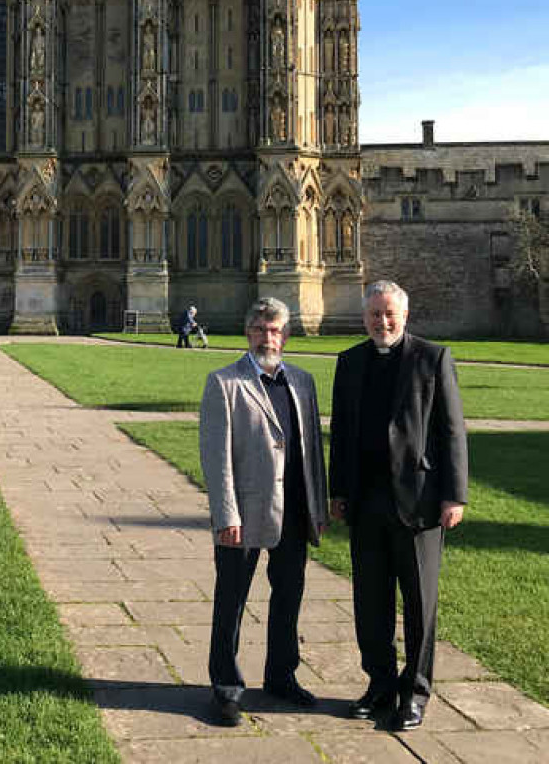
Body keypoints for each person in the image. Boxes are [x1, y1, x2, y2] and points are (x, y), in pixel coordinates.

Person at [329, 281, 468, 732]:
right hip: (366, 502)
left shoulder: (433, 358)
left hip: (420, 503)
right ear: (364, 316)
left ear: (404, 316)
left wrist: (455, 494)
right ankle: (380, 685)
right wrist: (338, 491)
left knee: (419, 604)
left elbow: (452, 431)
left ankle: (416, 692)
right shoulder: (349, 362)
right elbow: (342, 433)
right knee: (370, 601)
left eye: (389, 314)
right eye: (374, 315)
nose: (381, 322)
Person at [199, 297, 327, 726]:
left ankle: (281, 676)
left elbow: (312, 452)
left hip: (293, 511)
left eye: (274, 330)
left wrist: (318, 506)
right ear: (247, 333)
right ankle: (226, 687)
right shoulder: (224, 382)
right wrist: (225, 516)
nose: (266, 337)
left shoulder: (303, 382)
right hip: (244, 513)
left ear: (285, 336)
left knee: (288, 597)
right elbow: (215, 459)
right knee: (232, 600)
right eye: (259, 329)